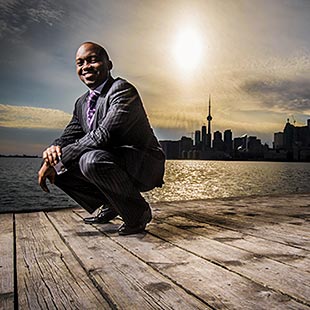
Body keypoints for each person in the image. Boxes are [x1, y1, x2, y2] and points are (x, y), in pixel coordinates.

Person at [38, 42, 165, 235]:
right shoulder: (81, 103)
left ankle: (138, 212)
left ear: (109, 64)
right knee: (59, 169)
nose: (85, 66)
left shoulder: (122, 90)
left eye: (93, 60)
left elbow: (103, 135)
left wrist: (59, 158)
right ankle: (112, 203)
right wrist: (53, 152)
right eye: (80, 63)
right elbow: (69, 135)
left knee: (89, 160)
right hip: (110, 162)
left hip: (143, 164)